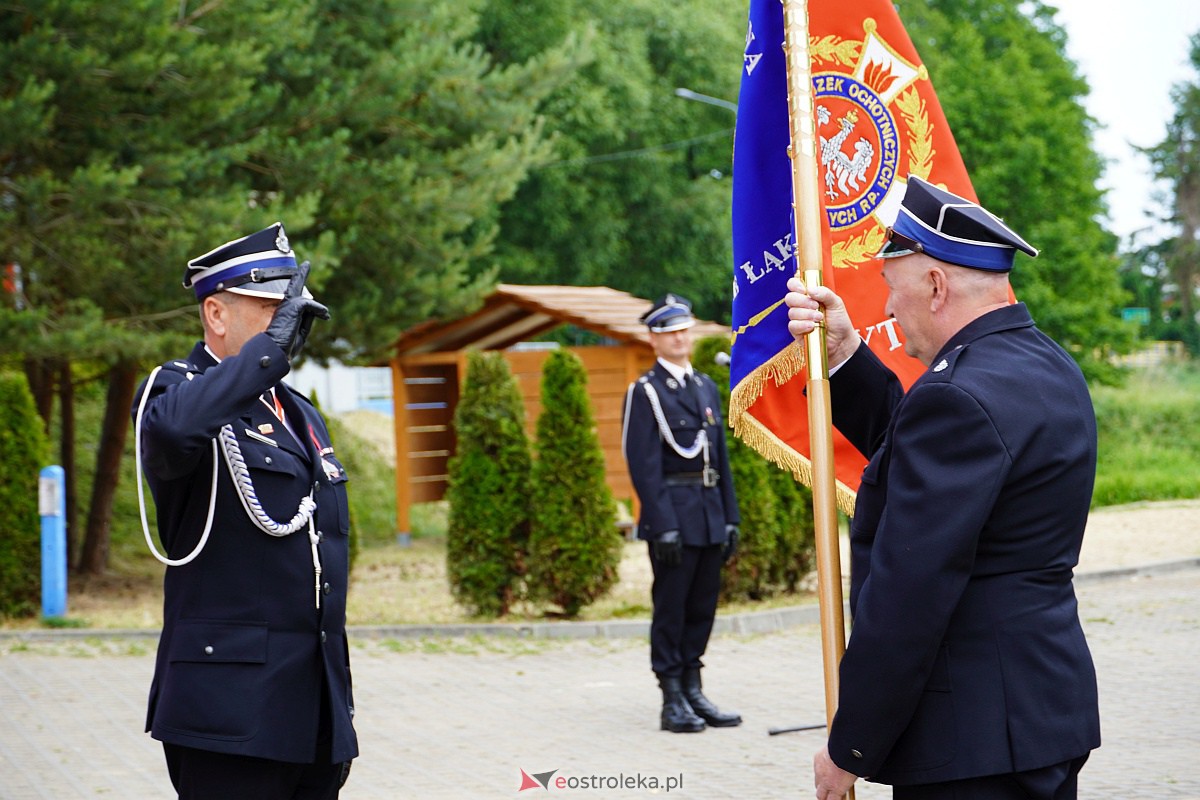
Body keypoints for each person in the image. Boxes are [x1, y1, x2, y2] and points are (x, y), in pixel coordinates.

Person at [784, 176, 1101, 799]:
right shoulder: (1042, 363)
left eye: (892, 292)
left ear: (935, 285)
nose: (888, 312)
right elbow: (927, 459)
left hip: (973, 735)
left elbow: (911, 591)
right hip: (1036, 712)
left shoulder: (959, 394)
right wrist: (846, 349)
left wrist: (851, 745)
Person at [132, 222, 357, 799]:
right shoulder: (175, 391)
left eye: (295, 315)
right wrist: (266, 356)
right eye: (272, 310)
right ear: (216, 313)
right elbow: (174, 433)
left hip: (312, 704)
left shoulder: (298, 412)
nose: (290, 328)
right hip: (227, 711)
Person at [621, 293, 742, 733]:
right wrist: (663, 524)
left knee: (702, 606)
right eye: (669, 332)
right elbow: (643, 465)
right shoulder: (646, 392)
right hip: (673, 516)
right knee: (671, 607)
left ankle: (694, 688)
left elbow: (720, 460)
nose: (679, 338)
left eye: (684, 329)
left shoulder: (705, 387)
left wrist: (731, 516)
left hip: (709, 513)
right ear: (653, 339)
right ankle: (671, 696)